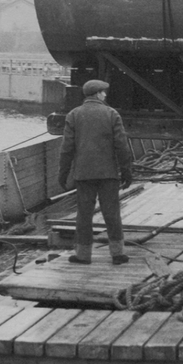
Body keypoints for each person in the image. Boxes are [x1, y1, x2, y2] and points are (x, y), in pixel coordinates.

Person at [59, 79, 133, 265]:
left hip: (84, 174)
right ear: (98, 94)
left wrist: (63, 173)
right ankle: (117, 254)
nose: (105, 95)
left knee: (84, 215)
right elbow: (121, 146)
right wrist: (126, 170)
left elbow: (67, 148)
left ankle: (83, 255)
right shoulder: (111, 114)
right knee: (112, 213)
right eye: (103, 92)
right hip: (108, 174)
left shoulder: (74, 115)